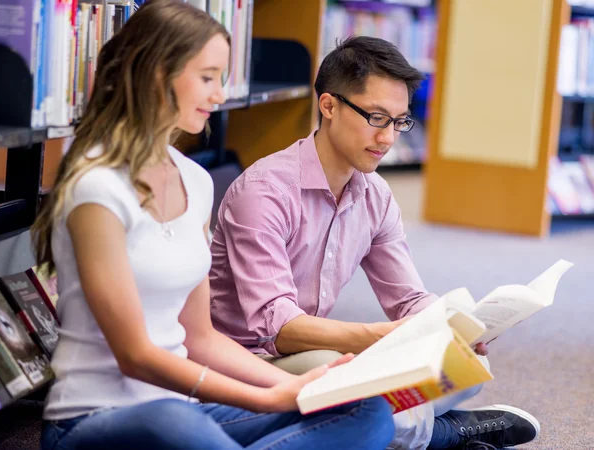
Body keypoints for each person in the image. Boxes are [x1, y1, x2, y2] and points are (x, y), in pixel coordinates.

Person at [32, 4, 396, 449]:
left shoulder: (195, 181)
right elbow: (135, 356)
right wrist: (267, 399)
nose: (220, 96)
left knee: (364, 408)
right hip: (95, 418)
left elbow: (200, 338)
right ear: (156, 74)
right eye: (207, 77)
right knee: (176, 424)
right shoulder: (96, 187)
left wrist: (302, 390)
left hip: (186, 409)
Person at [209, 36, 540, 450]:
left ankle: (401, 424)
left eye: (400, 121)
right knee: (344, 381)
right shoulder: (264, 192)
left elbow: (408, 299)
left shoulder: (375, 195)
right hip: (247, 361)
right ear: (328, 106)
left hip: (315, 351)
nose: (388, 138)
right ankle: (446, 433)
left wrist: (459, 325)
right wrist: (381, 338)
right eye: (376, 117)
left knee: (466, 369)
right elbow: (281, 328)